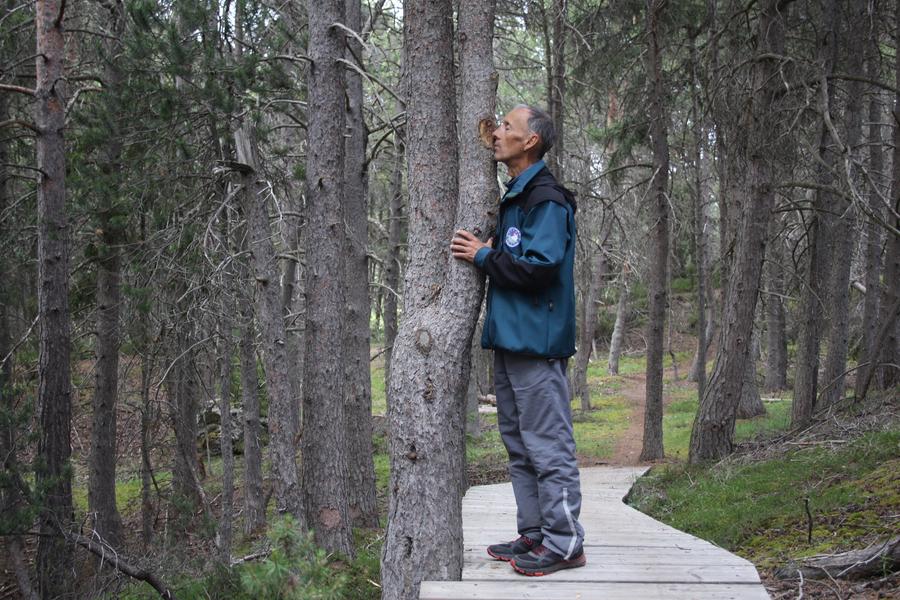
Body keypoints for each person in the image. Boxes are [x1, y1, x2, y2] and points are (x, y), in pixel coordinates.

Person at [450, 104, 585, 576]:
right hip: (511, 340)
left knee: (547, 444)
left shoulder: (545, 198)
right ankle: (536, 533)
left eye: (508, 126)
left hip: (537, 341)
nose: (497, 132)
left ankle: (566, 542)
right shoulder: (517, 195)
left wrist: (484, 255)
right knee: (520, 444)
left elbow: (539, 267)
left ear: (531, 141)